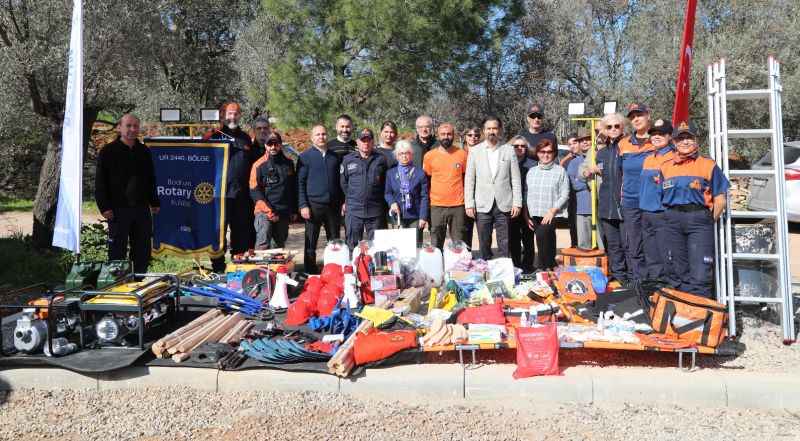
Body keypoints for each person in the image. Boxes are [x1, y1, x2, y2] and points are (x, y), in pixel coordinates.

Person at [660, 122, 729, 297]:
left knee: (700, 272)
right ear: (674, 142)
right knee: (676, 270)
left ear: (696, 141)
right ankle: (682, 313)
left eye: (689, 138)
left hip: (699, 220)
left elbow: (720, 200)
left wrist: (706, 220)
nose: (685, 142)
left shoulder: (708, 165)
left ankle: (700, 317)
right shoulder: (665, 166)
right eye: (681, 138)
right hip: (672, 221)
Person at [95, 114, 159, 274]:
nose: (132, 129)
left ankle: (138, 283)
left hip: (141, 209)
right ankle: (116, 284)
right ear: (119, 127)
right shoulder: (108, 151)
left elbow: (150, 178)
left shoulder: (144, 151)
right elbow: (100, 182)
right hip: (117, 209)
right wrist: (104, 207)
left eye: (135, 126)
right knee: (117, 249)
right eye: (128, 126)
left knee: (142, 250)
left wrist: (154, 201)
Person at [203, 102, 257, 272]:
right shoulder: (213, 136)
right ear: (222, 115)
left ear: (240, 115)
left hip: (240, 194)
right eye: (229, 114)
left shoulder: (246, 138)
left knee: (240, 233)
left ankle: (237, 268)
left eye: (236, 114)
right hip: (219, 195)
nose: (232, 117)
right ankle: (218, 268)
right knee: (218, 233)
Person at [464, 116, 522, 260]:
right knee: (484, 242)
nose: (492, 131)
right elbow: (470, 179)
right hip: (482, 204)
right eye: (488, 128)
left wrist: (517, 202)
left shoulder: (508, 150)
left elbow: (515, 178)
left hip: (504, 203)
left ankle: (504, 271)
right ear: (484, 131)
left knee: (505, 242)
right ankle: (486, 270)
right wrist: (469, 203)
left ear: (500, 130)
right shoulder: (475, 151)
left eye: (494, 128)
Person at [582, 113, 628, 283]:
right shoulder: (600, 153)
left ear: (622, 127)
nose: (614, 129)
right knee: (613, 246)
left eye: (617, 126)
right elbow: (590, 171)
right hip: (606, 206)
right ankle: (619, 278)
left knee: (628, 246)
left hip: (625, 206)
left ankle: (631, 280)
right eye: (609, 127)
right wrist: (590, 170)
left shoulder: (627, 147)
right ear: (604, 130)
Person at [297, 124, 343, 273]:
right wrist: (303, 205)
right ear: (312, 138)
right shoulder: (305, 157)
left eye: (323, 134)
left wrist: (343, 202)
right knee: (311, 243)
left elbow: (341, 182)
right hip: (313, 206)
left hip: (333, 207)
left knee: (334, 242)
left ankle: (334, 270)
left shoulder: (335, 157)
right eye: (318, 135)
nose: (321, 137)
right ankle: (310, 272)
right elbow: (300, 183)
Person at [619, 102, 654, 283]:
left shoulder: (658, 140)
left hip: (653, 202)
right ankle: (638, 282)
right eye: (632, 117)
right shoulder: (624, 143)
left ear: (648, 115)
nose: (636, 119)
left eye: (639, 114)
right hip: (630, 202)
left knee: (653, 242)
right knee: (634, 244)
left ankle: (655, 281)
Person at [524, 139, 570, 270]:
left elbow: (565, 194)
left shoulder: (560, 171)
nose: (546, 155)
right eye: (542, 152)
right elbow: (527, 194)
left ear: (554, 153)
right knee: (548, 242)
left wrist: (552, 211)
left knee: (542, 239)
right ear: (537, 153)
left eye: (549, 152)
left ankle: (542, 268)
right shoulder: (531, 171)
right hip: (534, 214)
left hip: (550, 214)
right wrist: (526, 215)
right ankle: (551, 268)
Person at [639, 119, 675, 281]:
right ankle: (655, 286)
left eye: (661, 134)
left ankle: (668, 286)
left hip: (663, 214)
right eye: (653, 134)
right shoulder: (648, 159)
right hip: (646, 212)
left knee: (665, 253)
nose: (656, 137)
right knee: (651, 253)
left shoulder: (674, 158)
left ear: (670, 136)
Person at [340, 128, 389, 249]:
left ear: (373, 142)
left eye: (369, 140)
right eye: (363, 140)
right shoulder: (348, 160)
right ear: (357, 142)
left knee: (379, 248)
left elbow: (386, 183)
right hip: (354, 211)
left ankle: (376, 268)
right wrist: (352, 198)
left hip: (375, 211)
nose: (366, 143)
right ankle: (354, 267)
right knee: (353, 246)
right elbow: (344, 183)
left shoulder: (381, 159)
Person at [423, 122, 468, 250]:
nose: (446, 137)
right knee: (436, 241)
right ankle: (437, 268)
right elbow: (427, 180)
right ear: (438, 135)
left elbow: (466, 178)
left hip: (458, 205)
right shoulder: (429, 156)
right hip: (437, 205)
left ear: (453, 135)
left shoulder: (462, 154)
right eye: (443, 134)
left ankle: (457, 269)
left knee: (458, 241)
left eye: (449, 134)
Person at [249, 132, 297, 250]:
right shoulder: (258, 165)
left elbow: (292, 188)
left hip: (283, 213)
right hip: (264, 212)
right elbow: (254, 191)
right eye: (270, 144)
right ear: (265, 145)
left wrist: (294, 210)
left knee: (278, 247)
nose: (273, 147)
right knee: (263, 244)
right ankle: (260, 268)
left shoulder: (289, 163)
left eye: (276, 144)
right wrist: (269, 212)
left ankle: (276, 269)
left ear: (280, 145)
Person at [384, 140, 429, 244]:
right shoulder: (390, 173)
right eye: (401, 153)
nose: (404, 156)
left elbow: (424, 196)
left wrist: (423, 217)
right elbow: (387, 193)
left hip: (415, 216)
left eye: (407, 153)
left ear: (411, 155)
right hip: (398, 216)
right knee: (399, 246)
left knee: (415, 246)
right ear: (397, 156)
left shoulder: (420, 173)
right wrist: (392, 203)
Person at [509, 136, 537, 271]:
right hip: (512, 206)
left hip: (528, 206)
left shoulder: (533, 164)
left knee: (528, 237)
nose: (520, 148)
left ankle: (528, 265)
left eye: (523, 146)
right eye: (516, 146)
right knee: (513, 237)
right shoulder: (507, 162)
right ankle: (515, 265)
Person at [567, 129, 594, 249]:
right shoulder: (574, 163)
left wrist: (582, 179)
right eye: (582, 140)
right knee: (584, 244)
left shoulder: (600, 156)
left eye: (588, 139)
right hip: (583, 207)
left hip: (600, 207)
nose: (585, 142)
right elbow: (575, 185)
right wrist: (591, 183)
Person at [461, 125, 482, 249]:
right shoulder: (460, 153)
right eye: (470, 135)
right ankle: (467, 256)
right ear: (465, 137)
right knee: (466, 229)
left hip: (480, 196)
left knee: (483, 229)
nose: (473, 138)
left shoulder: (483, 152)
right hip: (463, 196)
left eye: (476, 135)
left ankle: (485, 257)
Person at [561, 134, 580, 247]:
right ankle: (574, 246)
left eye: (574, 142)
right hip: (572, 197)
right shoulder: (567, 161)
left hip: (584, 196)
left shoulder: (587, 157)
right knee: (572, 223)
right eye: (570, 144)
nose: (572, 146)